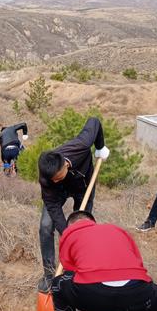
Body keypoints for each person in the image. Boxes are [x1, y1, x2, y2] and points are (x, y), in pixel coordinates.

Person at [37, 117, 110, 292]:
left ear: (64, 164)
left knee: (83, 229)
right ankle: (49, 275)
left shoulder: (80, 146)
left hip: (83, 188)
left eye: (58, 176)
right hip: (58, 195)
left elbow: (94, 121)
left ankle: (78, 272)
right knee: (46, 226)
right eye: (52, 179)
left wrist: (100, 147)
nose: (55, 180)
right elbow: (54, 209)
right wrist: (67, 233)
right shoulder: (47, 181)